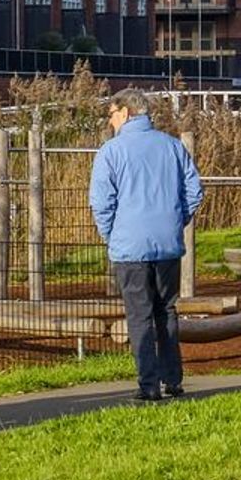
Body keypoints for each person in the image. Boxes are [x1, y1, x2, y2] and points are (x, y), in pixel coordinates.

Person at [89, 89, 203, 403]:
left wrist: (112, 236)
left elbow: (101, 203)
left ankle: (148, 384)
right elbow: (194, 190)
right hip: (167, 244)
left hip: (129, 247)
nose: (110, 120)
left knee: (138, 315)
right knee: (166, 310)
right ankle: (173, 379)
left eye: (111, 114)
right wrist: (176, 221)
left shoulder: (110, 152)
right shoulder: (172, 146)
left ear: (125, 112)